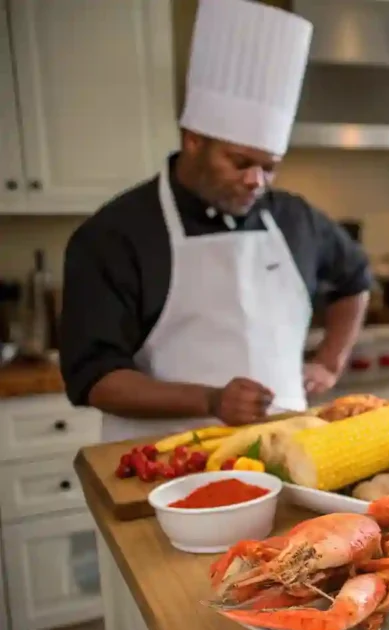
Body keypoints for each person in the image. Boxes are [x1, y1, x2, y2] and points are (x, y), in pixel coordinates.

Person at [58, 0, 371, 442]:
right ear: (192, 140)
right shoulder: (114, 235)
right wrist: (210, 401)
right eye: (240, 161)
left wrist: (329, 361)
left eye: (270, 166)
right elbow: (95, 379)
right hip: (163, 461)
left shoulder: (294, 217)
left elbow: (355, 279)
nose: (255, 181)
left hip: (290, 454)